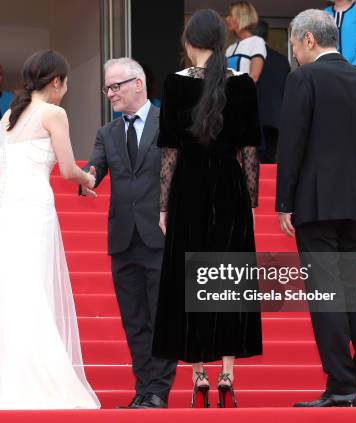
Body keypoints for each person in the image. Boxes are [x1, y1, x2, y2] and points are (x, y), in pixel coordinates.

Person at [0, 50, 100, 410]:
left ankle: (11, 378)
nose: (65, 91)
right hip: (33, 208)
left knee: (12, 292)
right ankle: (39, 379)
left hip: (6, 209)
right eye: (65, 83)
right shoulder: (54, 113)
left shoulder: (8, 115)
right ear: (56, 82)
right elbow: (68, 169)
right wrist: (88, 178)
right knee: (33, 290)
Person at [151, 9, 262, 409]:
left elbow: (169, 153)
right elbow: (250, 150)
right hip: (230, 187)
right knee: (227, 276)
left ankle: (198, 375)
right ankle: (227, 375)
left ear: (188, 42)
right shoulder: (244, 84)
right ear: (222, 42)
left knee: (189, 277)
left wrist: (164, 206)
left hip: (188, 187)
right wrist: (250, 203)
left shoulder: (174, 84)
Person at [276, 9, 356, 408]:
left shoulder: (302, 79)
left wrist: (284, 203)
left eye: (293, 43)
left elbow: (292, 143)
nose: (293, 52)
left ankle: (341, 385)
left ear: (308, 40)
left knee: (326, 295)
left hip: (316, 204)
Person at [81, 58, 177, 409]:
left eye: (114, 86)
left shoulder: (169, 122)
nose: (110, 94)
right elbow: (95, 167)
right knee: (134, 320)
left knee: (160, 317)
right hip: (123, 240)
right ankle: (145, 388)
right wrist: (85, 179)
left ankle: (158, 391)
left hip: (161, 237)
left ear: (138, 84)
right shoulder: (107, 133)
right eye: (106, 88)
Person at [252, 20, 291, 163]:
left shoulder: (248, 57)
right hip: (274, 120)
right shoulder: (281, 60)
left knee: (250, 166)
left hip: (253, 119)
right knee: (269, 164)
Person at [325, 0, 356, 70]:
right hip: (330, 69)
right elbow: (323, 44)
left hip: (355, 69)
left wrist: (355, 67)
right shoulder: (325, 13)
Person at [225, 1, 266, 82]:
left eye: (231, 15)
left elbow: (254, 77)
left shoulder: (256, 42)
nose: (227, 18)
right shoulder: (230, 49)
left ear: (241, 17)